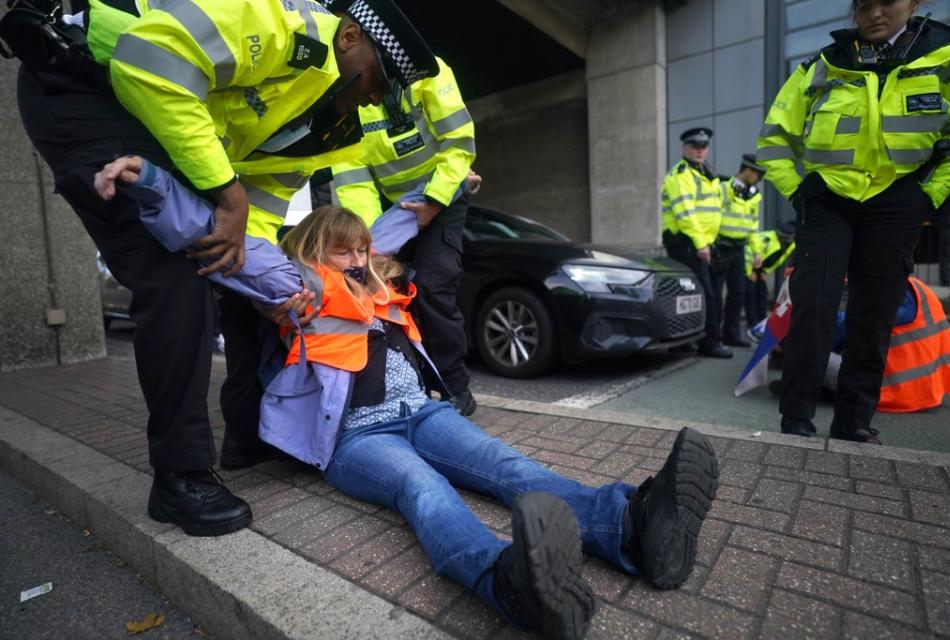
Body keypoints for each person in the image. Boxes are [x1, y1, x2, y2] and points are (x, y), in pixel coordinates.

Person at [12, 0, 438, 536]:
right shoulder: (284, 25)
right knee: (173, 274)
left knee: (241, 275)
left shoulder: (328, 124)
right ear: (350, 38)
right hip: (83, 84)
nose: (378, 97)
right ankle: (180, 475)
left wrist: (257, 280)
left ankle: (250, 436)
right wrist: (228, 199)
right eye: (380, 78)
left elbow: (256, 213)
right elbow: (155, 59)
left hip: (150, 112)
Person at [260, 207, 720, 640]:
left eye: (362, 249)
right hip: (358, 436)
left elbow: (398, 226)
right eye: (344, 251)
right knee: (423, 487)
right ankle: (510, 584)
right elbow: (254, 266)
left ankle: (632, 528)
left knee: (506, 464)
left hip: (422, 413)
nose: (358, 259)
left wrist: (446, 189)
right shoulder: (300, 295)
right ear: (314, 254)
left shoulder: (380, 289)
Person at [756, 0, 950, 443]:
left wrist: (929, 196)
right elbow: (774, 139)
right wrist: (797, 188)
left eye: (887, 1)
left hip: (897, 201)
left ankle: (853, 422)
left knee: (875, 312)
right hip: (827, 200)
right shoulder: (825, 64)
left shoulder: (948, 56)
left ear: (914, 2)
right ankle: (795, 421)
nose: (875, 14)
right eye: (864, 4)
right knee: (813, 306)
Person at [329, 46, 478, 415]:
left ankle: (457, 389)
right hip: (398, 210)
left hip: (441, 197)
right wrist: (365, 246)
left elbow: (457, 145)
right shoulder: (351, 97)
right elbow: (354, 180)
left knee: (433, 286)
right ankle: (419, 382)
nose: (371, 98)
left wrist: (435, 200)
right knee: (392, 290)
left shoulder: (430, 71)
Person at [771, 275, 950, 412]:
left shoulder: (891, 292)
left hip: (888, 390)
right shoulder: (917, 288)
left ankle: (802, 386)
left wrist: (792, 331)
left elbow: (847, 326)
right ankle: (820, 386)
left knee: (806, 345)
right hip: (928, 390)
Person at [661, 127, 731, 359]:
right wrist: (702, 245)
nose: (700, 151)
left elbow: (713, 212)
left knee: (689, 293)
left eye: (703, 147)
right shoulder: (680, 175)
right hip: (686, 241)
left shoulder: (704, 173)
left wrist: (711, 241)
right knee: (704, 294)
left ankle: (685, 341)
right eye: (695, 147)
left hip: (702, 241)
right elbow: (686, 214)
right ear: (685, 148)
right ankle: (709, 343)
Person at [713, 154, 766, 347]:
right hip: (721, 246)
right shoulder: (722, 187)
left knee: (738, 293)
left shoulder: (753, 195)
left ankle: (731, 335)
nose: (759, 180)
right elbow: (713, 216)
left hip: (739, 249)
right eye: (758, 175)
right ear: (748, 170)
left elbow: (753, 226)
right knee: (716, 294)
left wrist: (757, 251)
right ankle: (713, 336)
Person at [744, 221, 796, 335]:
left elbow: (778, 259)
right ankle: (752, 323)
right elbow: (748, 251)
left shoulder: (789, 245)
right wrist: (749, 272)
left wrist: (765, 272)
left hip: (762, 269)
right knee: (751, 295)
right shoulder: (766, 239)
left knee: (762, 294)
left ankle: (762, 322)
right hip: (749, 266)